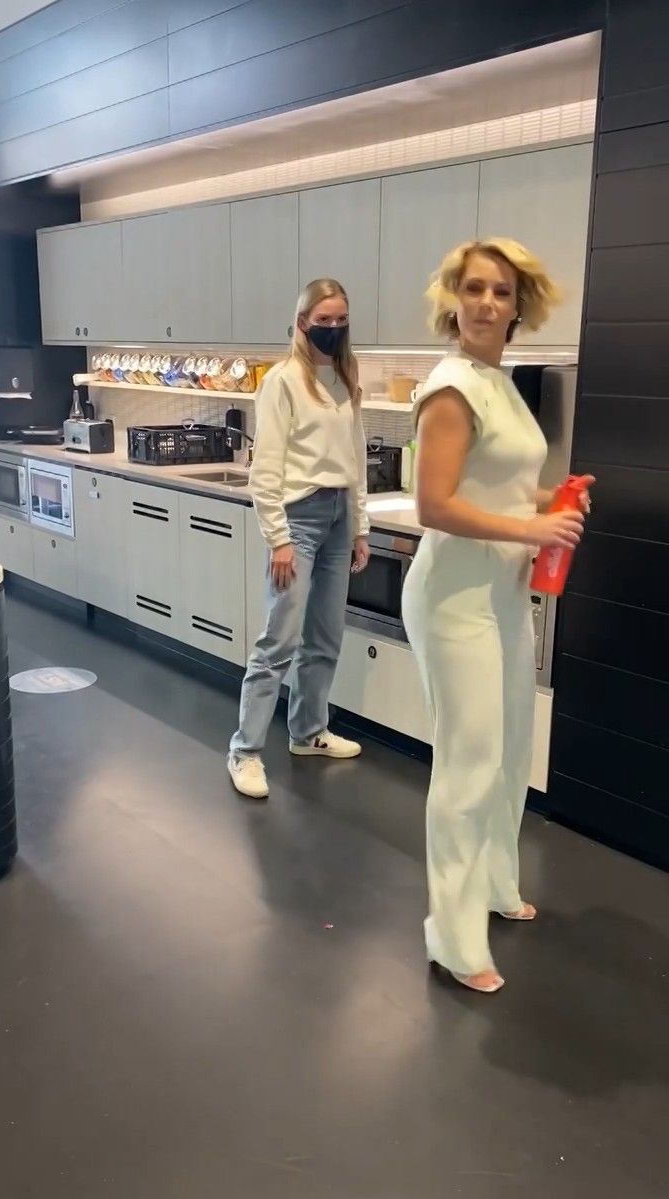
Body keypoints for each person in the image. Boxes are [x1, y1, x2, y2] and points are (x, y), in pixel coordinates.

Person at [402, 238, 593, 993]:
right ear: (453, 299)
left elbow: (503, 488)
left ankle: (493, 886)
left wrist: (556, 500)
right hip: (455, 601)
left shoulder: (500, 383)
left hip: (503, 596)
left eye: (502, 292)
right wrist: (532, 527)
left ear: (519, 308)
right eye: (474, 288)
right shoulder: (451, 388)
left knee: (512, 754)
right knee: (469, 765)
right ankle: (453, 940)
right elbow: (434, 505)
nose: (486, 303)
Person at [228, 278, 371, 799]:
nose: (333, 328)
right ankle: (244, 751)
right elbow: (265, 468)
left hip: (338, 517)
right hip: (299, 519)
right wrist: (279, 539)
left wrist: (360, 526)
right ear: (302, 323)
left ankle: (308, 732)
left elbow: (356, 458)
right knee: (279, 641)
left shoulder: (347, 378)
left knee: (325, 636)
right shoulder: (284, 381)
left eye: (341, 320)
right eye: (323, 320)